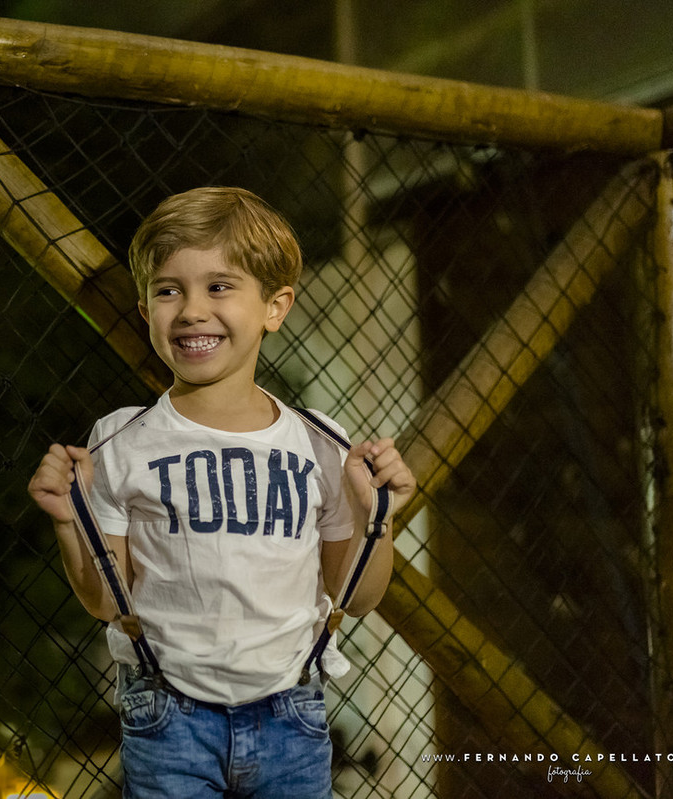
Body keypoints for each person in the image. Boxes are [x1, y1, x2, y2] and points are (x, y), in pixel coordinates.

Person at [27, 186, 416, 798]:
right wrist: (68, 522)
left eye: (219, 286)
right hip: (168, 719)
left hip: (292, 715)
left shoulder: (320, 443)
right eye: (167, 290)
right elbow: (108, 600)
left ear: (274, 306)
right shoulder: (121, 440)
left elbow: (357, 595)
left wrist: (379, 519)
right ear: (145, 306)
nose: (190, 310)